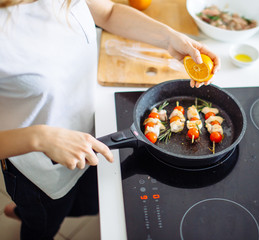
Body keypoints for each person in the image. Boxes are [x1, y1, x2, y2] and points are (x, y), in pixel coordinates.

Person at [0, 0, 221, 239]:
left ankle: (29, 212)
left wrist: (169, 38)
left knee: (91, 202)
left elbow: (109, 13)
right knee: (43, 224)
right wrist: (40, 137)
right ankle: (31, 215)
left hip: (94, 132)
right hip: (39, 163)